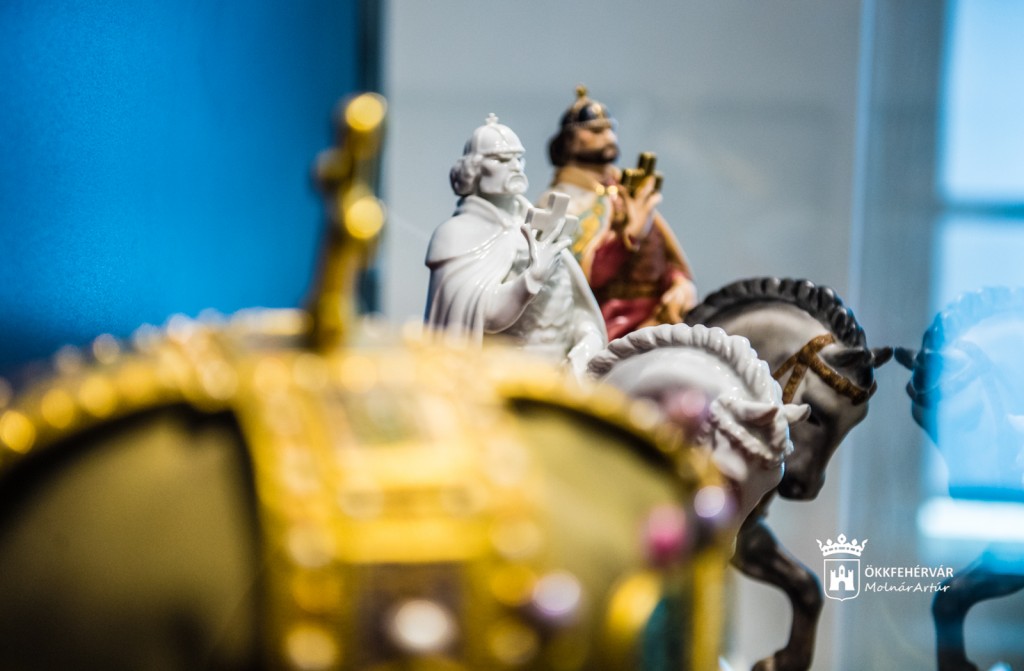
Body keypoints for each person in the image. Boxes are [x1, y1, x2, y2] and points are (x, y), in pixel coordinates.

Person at [424, 114, 606, 379]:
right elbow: (482, 318)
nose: (515, 167)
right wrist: (532, 278)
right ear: (472, 169)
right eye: (501, 159)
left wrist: (588, 340)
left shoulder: (539, 225)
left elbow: (575, 308)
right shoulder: (455, 235)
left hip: (560, 381)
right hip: (500, 384)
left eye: (518, 158)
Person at [541, 86, 697, 341]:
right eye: (596, 131)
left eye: (610, 129)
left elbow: (661, 254)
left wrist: (679, 282)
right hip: (605, 322)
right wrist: (630, 237)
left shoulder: (625, 191)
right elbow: (574, 277)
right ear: (569, 141)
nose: (608, 136)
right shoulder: (561, 201)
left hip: (660, 314)